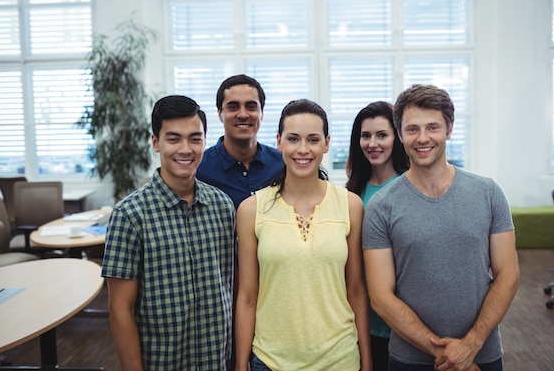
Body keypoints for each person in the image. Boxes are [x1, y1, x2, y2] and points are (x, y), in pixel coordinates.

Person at [362, 84, 519, 371]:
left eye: (432, 127)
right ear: (400, 134)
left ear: (449, 129)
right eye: (412, 129)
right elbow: (381, 298)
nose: (422, 138)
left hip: (481, 354)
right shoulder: (381, 206)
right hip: (409, 359)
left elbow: (508, 274)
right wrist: (447, 354)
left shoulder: (488, 193)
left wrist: (470, 345)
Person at [235, 99, 372, 371]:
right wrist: (241, 363)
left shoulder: (350, 205)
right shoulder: (251, 209)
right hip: (271, 360)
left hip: (339, 359)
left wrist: (366, 358)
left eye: (312, 139)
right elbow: (247, 295)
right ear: (279, 142)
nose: (303, 149)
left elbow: (356, 290)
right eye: (293, 139)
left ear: (326, 143)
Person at [101, 95, 236, 371]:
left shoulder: (223, 206)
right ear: (155, 142)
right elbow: (120, 311)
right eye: (173, 139)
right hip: (162, 363)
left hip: (216, 361)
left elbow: (229, 288)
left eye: (195, 138)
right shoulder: (129, 215)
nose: (185, 149)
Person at [345, 100, 408, 371]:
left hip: (402, 321)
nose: (373, 143)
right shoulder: (353, 191)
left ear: (397, 137)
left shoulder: (409, 186)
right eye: (365, 135)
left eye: (382, 135)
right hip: (363, 318)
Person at [197, 74, 285, 208]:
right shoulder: (199, 169)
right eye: (233, 107)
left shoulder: (283, 165)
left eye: (251, 106)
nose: (243, 115)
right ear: (220, 114)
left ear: (262, 113)